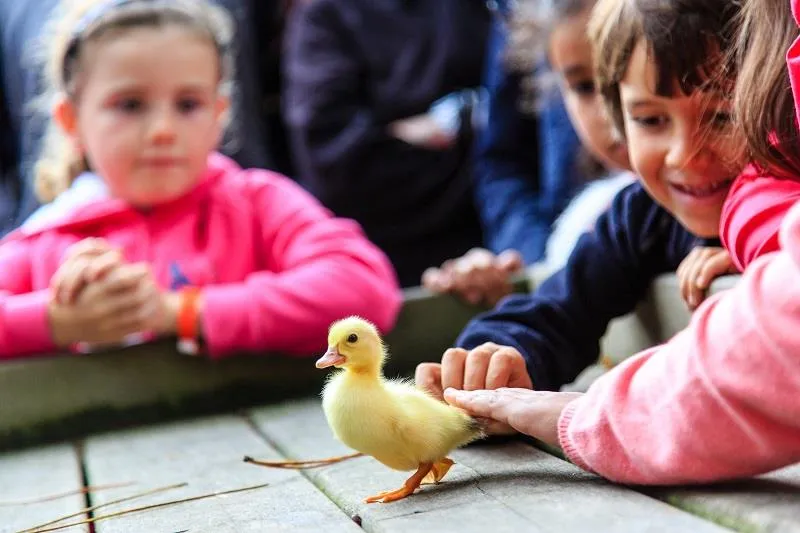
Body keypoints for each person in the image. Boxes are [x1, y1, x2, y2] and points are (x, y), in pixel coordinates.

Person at [0, 0, 401, 359]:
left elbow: (366, 289)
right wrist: (57, 320)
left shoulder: (259, 202)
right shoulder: (44, 238)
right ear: (71, 121)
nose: (162, 130)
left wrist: (180, 312)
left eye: (188, 104)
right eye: (130, 105)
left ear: (219, 114)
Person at [416, 0, 740, 401]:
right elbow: (559, 310)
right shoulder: (641, 215)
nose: (683, 154)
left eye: (723, 116)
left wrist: (763, 249)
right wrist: (498, 360)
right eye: (651, 119)